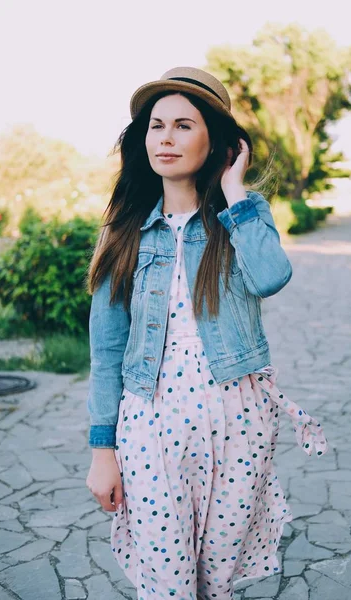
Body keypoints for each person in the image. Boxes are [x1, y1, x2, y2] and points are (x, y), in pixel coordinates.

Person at [85, 66, 328, 600]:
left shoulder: (242, 218)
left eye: (183, 125)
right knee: (168, 584)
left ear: (217, 141)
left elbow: (271, 278)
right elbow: (104, 353)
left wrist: (234, 188)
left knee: (217, 581)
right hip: (149, 422)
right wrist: (103, 449)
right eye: (156, 125)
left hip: (237, 419)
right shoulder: (122, 232)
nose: (166, 137)